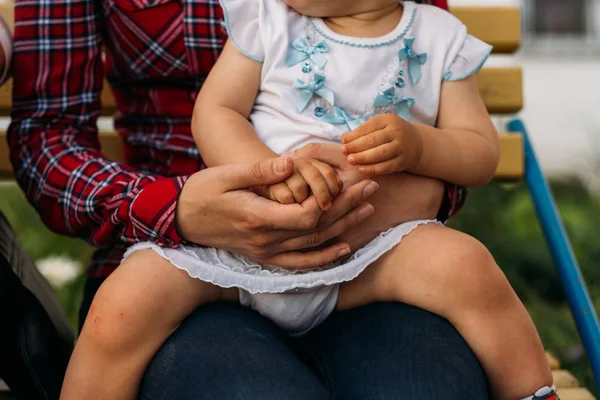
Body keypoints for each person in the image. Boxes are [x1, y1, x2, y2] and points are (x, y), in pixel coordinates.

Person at [59, 1, 557, 400]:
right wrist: (268, 174)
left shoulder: (439, 37)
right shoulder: (267, 17)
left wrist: (422, 146)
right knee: (125, 302)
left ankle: (533, 392)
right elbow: (216, 111)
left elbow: (478, 150)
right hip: (236, 246)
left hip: (369, 255)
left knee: (466, 267)